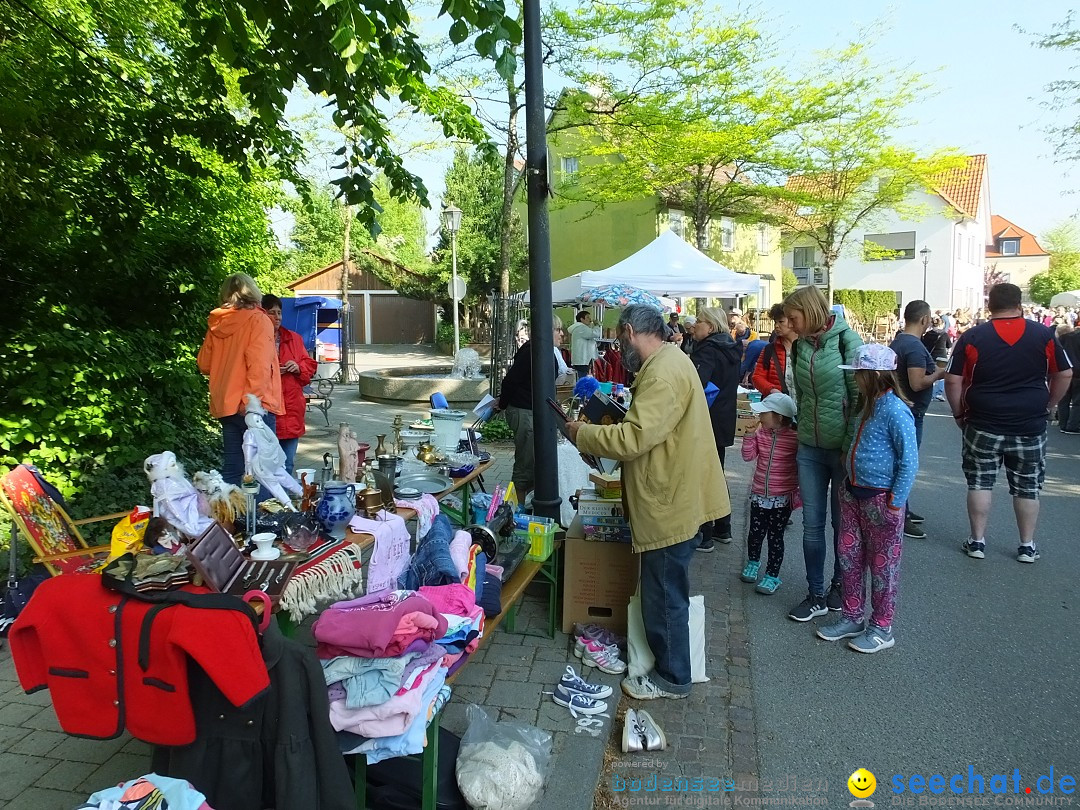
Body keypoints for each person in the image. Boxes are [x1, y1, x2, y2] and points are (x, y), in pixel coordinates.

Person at [565, 305, 729, 701]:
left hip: (671, 500)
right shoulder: (670, 361)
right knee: (665, 588)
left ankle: (674, 678)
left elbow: (634, 438)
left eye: (620, 340)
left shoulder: (662, 372)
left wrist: (581, 434)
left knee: (664, 592)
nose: (619, 350)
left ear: (629, 332)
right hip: (674, 493)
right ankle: (669, 666)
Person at [945, 283, 1073, 563]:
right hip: (1030, 423)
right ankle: (1026, 546)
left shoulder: (973, 336)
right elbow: (1064, 374)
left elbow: (953, 379)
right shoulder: (1043, 335)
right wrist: (1049, 405)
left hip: (983, 420)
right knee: (1028, 485)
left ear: (990, 305)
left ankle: (977, 541)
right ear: (1020, 304)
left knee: (979, 482)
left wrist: (958, 414)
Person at [816, 344, 918, 654]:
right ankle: (852, 616)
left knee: (882, 567)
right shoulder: (865, 405)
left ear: (872, 375)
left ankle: (882, 626)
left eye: (858, 374)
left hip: (880, 500)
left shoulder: (895, 410)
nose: (855, 379)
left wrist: (895, 502)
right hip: (853, 494)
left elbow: (909, 460)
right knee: (849, 558)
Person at [782, 286, 863, 621]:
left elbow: (861, 396)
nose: (788, 322)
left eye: (793, 316)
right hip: (810, 448)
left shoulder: (848, 341)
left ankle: (840, 587)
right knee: (811, 525)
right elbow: (799, 392)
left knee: (840, 524)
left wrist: (850, 444)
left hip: (841, 450)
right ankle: (815, 593)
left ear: (810, 310)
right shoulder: (800, 346)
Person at [197, 273, 282, 487]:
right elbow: (260, 367)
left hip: (226, 405)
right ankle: (262, 520)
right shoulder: (258, 320)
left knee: (233, 470)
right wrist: (251, 403)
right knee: (263, 472)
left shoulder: (217, 322)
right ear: (253, 291)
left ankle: (232, 519)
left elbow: (204, 365)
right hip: (253, 408)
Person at [497, 317, 574, 498]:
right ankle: (520, 508)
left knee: (533, 462)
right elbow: (510, 381)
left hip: (531, 411)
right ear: (546, 331)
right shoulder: (532, 351)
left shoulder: (543, 350)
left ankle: (529, 504)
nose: (562, 334)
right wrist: (501, 403)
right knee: (526, 463)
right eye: (558, 329)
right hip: (525, 411)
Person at [889, 300, 945, 540]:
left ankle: (905, 508)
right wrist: (940, 373)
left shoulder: (900, 341)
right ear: (924, 319)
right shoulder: (913, 347)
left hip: (904, 408)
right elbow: (916, 382)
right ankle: (901, 513)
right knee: (906, 463)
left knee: (901, 461)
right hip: (911, 411)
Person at [688, 308, 742, 551]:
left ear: (710, 326)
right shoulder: (729, 347)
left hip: (706, 419)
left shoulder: (708, 350)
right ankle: (723, 527)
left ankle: (705, 534)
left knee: (704, 475)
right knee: (717, 474)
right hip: (723, 418)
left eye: (698, 321)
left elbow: (695, 384)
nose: (694, 325)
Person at [739, 393, 800, 595]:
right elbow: (748, 457)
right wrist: (748, 436)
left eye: (764, 413)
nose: (760, 416)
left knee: (775, 537)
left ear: (779, 417)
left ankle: (772, 575)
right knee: (755, 534)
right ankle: (753, 563)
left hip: (782, 499)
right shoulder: (760, 433)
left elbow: (802, 466)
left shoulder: (795, 438)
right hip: (759, 494)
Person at [261, 294, 318, 475]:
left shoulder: (294, 338)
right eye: (271, 313)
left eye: (279, 313)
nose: (277, 317)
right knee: (268, 466)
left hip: (292, 408)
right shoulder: (257, 340)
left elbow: (309, 366)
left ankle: (285, 501)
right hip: (269, 409)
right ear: (262, 314)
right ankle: (268, 501)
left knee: (288, 464)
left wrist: (298, 366)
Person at [752, 303, 796, 403]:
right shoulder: (769, 349)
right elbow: (757, 377)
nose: (776, 326)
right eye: (775, 322)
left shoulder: (806, 347)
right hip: (778, 406)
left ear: (793, 321)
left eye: (781, 321)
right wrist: (771, 390)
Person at [922, 314, 952, 402]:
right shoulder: (944, 334)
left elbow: (924, 344)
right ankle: (938, 393)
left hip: (930, 356)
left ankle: (930, 392)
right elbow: (949, 345)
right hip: (941, 356)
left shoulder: (928, 334)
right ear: (941, 324)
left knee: (930, 374)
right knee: (941, 375)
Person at [567, 310, 602, 378]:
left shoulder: (580, 328)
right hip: (583, 361)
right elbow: (595, 333)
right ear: (581, 319)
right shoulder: (581, 328)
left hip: (581, 361)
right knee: (583, 379)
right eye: (588, 317)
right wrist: (597, 325)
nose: (590, 319)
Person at [1058, 325, 1080, 434]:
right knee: (1077, 401)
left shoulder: (1064, 338)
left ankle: (1063, 424)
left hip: (1064, 370)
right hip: (1078, 373)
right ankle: (1073, 425)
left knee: (1064, 399)